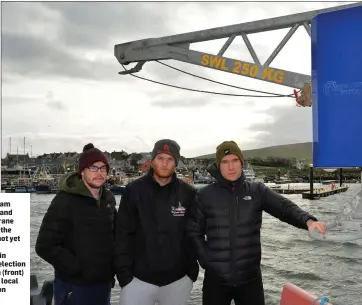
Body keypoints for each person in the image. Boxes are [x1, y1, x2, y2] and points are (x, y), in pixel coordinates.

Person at [187, 141, 327, 305]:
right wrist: (206, 261)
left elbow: (284, 208)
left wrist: (308, 221)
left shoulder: (257, 191)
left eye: (235, 161)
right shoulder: (204, 195)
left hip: (250, 280)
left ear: (241, 162)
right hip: (215, 280)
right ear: (219, 166)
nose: (230, 167)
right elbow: (193, 232)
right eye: (225, 162)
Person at [114, 139, 199, 305]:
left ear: (176, 163)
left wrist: (191, 272)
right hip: (138, 280)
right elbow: (121, 234)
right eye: (160, 158)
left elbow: (194, 233)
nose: (165, 164)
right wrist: (124, 274)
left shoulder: (188, 193)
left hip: (178, 281)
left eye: (170, 159)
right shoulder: (133, 191)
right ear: (152, 161)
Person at [35, 143, 117, 305]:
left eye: (103, 168)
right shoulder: (65, 200)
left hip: (103, 285)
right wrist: (76, 268)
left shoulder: (108, 199)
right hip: (74, 287)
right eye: (93, 168)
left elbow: (116, 235)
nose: (99, 173)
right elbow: (44, 245)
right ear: (82, 171)